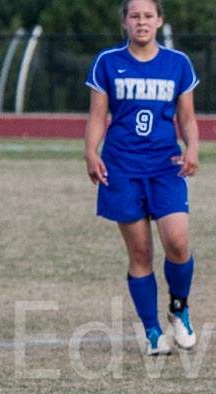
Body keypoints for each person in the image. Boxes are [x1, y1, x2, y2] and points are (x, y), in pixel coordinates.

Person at [84, 0, 199, 356]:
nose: (142, 21)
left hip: (165, 166)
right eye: (134, 16)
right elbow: (97, 116)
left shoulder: (177, 63)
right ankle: (152, 331)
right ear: (125, 23)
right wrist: (90, 151)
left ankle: (179, 308)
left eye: (148, 15)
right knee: (140, 252)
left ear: (160, 20)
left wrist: (193, 147)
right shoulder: (108, 62)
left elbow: (188, 117)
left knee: (177, 242)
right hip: (121, 168)